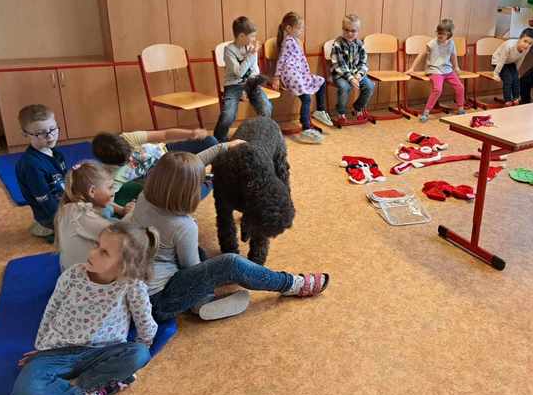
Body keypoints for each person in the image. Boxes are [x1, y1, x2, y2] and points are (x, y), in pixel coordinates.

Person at [126, 152, 329, 322]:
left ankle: (201, 303)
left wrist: (222, 147)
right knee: (230, 263)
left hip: (137, 290)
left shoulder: (145, 197)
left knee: (197, 251)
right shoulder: (183, 227)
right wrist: (222, 271)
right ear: (187, 192)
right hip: (159, 302)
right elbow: (193, 269)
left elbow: (177, 169)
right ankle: (290, 284)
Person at [11, 222, 160, 395]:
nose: (92, 252)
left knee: (139, 354)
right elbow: (51, 310)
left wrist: (141, 345)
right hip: (59, 352)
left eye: (104, 252)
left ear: (124, 266)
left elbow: (144, 321)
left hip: (100, 352)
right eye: (97, 245)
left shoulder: (132, 285)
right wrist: (42, 349)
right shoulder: (73, 274)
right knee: (25, 387)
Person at [92, 127, 226, 202]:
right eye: (125, 161)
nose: (130, 159)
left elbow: (165, 134)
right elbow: (106, 200)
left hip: (168, 151)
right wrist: (122, 210)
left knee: (210, 141)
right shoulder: (111, 174)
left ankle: (208, 174)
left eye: (130, 153)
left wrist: (191, 133)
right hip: (161, 177)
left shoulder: (127, 138)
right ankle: (211, 180)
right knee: (186, 197)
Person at [54, 161, 132, 271]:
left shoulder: (70, 206)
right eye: (110, 187)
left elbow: (107, 203)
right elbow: (119, 234)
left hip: (66, 266)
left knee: (107, 209)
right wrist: (130, 214)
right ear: (92, 191)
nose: (113, 191)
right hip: (84, 274)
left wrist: (121, 210)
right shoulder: (82, 215)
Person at [273, 11, 333, 144]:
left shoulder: (294, 40)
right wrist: (276, 77)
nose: (302, 31)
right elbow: (281, 59)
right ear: (289, 28)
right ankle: (306, 127)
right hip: (291, 74)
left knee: (321, 81)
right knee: (306, 97)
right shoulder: (288, 41)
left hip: (299, 74)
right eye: (299, 28)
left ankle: (320, 110)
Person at [213, 16, 272, 142]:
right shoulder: (229, 50)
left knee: (266, 108)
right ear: (241, 36)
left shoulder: (250, 48)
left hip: (251, 83)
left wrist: (247, 89)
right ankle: (219, 139)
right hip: (233, 85)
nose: (254, 39)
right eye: (252, 36)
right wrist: (251, 54)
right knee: (228, 115)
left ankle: (259, 135)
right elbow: (239, 73)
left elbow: (255, 71)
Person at [15, 104, 67, 240]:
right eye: (40, 133)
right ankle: (43, 228)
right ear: (25, 134)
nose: (50, 136)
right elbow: (45, 200)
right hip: (51, 216)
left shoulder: (56, 153)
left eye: (53, 129)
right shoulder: (31, 165)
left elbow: (65, 181)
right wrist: (63, 220)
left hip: (64, 204)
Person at [408, 19, 466, 121]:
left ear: (448, 34)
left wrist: (456, 67)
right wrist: (412, 68)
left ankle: (460, 109)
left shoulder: (451, 43)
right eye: (438, 33)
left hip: (447, 70)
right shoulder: (432, 43)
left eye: (442, 34)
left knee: (460, 87)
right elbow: (421, 54)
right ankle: (426, 112)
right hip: (434, 70)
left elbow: (453, 55)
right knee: (438, 89)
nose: (439, 35)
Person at [330, 14, 375, 122]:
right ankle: (341, 113)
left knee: (369, 86)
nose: (349, 33)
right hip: (340, 75)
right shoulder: (337, 44)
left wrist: (358, 75)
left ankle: (357, 108)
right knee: (344, 87)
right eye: (346, 30)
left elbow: (363, 63)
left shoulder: (360, 44)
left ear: (358, 31)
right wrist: (351, 78)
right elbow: (339, 65)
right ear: (342, 29)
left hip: (356, 74)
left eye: (353, 31)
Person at [491, 28, 533, 106]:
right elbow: (502, 60)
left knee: (516, 78)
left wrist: (515, 72)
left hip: (509, 62)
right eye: (525, 41)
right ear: (520, 38)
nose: (527, 45)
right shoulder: (509, 46)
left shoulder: (526, 48)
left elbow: (520, 60)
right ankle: (507, 99)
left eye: (530, 43)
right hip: (498, 61)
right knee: (508, 79)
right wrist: (496, 73)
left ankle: (516, 98)